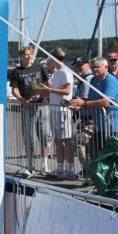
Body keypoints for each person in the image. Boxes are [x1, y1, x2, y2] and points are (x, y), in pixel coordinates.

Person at [68, 56, 118, 165]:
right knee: (95, 151)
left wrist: (84, 103)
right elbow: (91, 99)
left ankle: (111, 178)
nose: (94, 70)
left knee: (112, 154)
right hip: (99, 124)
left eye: (97, 67)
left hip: (113, 124)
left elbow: (105, 102)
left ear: (105, 67)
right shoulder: (94, 80)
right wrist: (77, 103)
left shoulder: (111, 80)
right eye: (93, 67)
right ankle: (94, 175)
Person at [9, 47, 50, 177]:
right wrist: (21, 99)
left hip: (42, 105)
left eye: (30, 54)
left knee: (44, 135)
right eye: (25, 55)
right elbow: (14, 89)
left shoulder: (40, 67)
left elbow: (47, 84)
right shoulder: (16, 71)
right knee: (29, 137)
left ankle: (45, 165)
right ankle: (30, 165)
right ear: (21, 57)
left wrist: (40, 95)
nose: (28, 57)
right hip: (27, 107)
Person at [37, 48, 76, 178]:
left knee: (66, 140)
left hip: (62, 110)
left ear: (54, 58)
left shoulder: (65, 72)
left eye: (50, 57)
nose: (48, 60)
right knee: (59, 140)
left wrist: (50, 89)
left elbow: (67, 90)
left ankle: (70, 169)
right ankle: (60, 168)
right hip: (55, 109)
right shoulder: (58, 72)